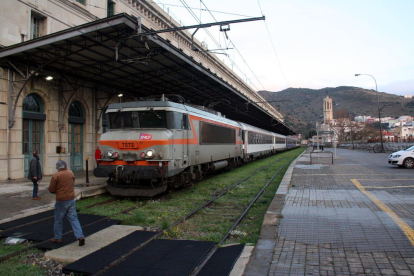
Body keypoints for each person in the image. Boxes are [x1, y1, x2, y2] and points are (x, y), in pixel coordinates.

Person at [48, 160, 85, 246]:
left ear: (58, 167)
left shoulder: (56, 175)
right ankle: (80, 236)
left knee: (58, 220)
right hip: (71, 199)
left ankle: (58, 237)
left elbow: (51, 189)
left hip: (61, 200)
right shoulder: (70, 173)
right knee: (74, 219)